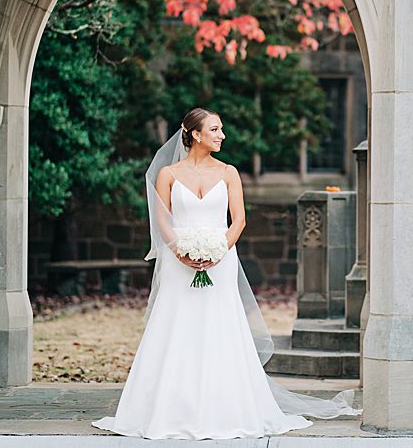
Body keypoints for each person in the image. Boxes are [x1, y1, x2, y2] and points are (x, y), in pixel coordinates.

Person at [93, 108, 359, 439]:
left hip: (221, 260)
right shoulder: (168, 175)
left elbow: (240, 220)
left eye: (221, 129)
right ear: (194, 134)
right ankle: (168, 408)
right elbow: (162, 219)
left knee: (220, 326)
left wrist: (218, 250)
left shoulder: (229, 172)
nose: (222, 136)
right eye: (215, 129)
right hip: (179, 262)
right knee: (177, 324)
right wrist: (180, 251)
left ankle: (226, 405)